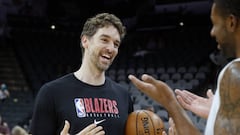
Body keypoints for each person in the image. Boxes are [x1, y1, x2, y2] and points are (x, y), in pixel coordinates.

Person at [129, 0, 240, 134]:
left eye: (215, 24)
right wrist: (215, 114)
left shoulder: (234, 72)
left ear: (231, 22)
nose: (212, 32)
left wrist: (170, 102)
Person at [30, 13, 133, 135]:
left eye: (116, 44)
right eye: (104, 40)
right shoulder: (51, 93)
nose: (111, 48)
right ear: (85, 41)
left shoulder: (124, 96)